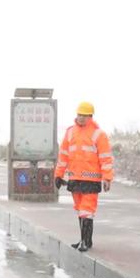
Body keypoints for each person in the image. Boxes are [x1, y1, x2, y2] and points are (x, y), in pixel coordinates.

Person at [54, 102, 114, 252]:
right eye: (79, 114)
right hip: (75, 178)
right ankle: (85, 240)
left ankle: (85, 242)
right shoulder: (70, 133)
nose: (80, 118)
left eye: (84, 115)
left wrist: (107, 178)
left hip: (91, 180)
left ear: (90, 116)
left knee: (86, 210)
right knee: (80, 209)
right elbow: (63, 156)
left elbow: (105, 158)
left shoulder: (98, 134)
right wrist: (58, 174)